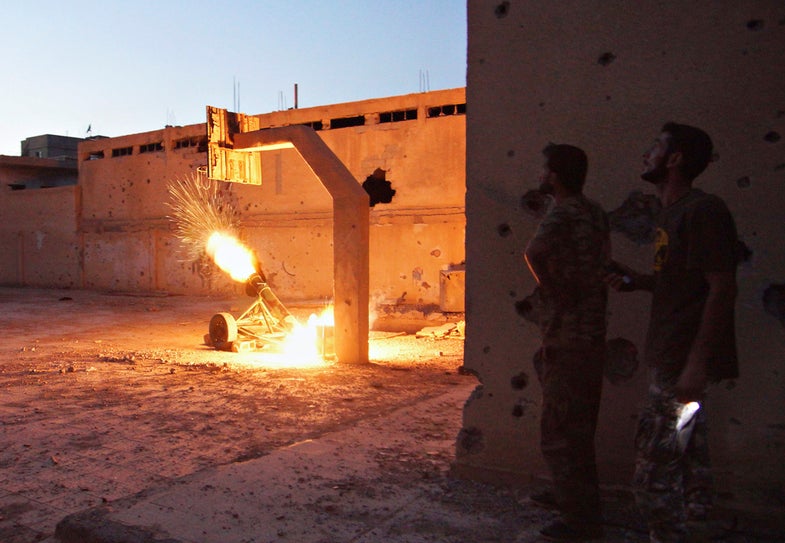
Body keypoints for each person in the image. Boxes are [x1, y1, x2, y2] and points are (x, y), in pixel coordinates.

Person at [606, 123, 739, 543]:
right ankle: (698, 523)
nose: (647, 153)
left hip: (682, 363)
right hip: (669, 357)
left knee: (653, 476)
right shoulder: (672, 213)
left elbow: (722, 287)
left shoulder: (703, 211)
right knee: (688, 448)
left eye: (656, 147)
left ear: (675, 159)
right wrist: (639, 281)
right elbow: (683, 281)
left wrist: (696, 366)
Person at [524, 143, 610, 541]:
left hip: (568, 333)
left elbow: (535, 252)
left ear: (555, 176)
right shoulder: (595, 214)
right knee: (581, 423)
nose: (541, 175)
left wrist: (554, 291)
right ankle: (575, 497)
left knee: (558, 428)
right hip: (592, 330)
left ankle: (578, 520)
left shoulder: (563, 211)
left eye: (545, 170)